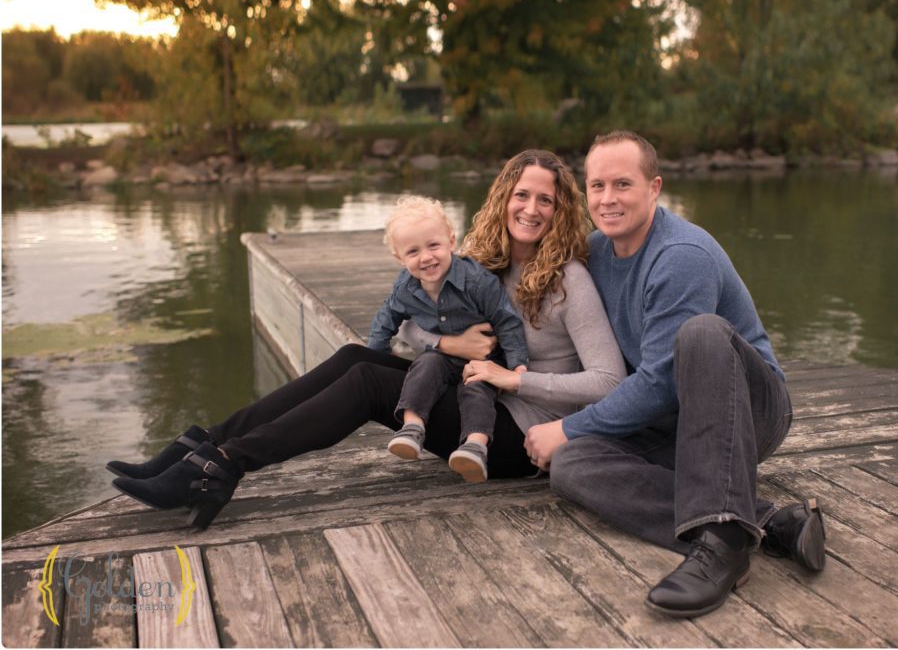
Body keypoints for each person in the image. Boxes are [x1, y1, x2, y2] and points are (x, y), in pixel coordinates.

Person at [106, 149, 626, 529]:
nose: (531, 209)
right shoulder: (479, 260)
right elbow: (410, 329)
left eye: (546, 200)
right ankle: (204, 444)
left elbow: (608, 382)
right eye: (521, 194)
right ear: (503, 197)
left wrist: (512, 377)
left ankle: (225, 466)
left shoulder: (568, 279)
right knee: (359, 355)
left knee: (368, 385)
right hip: (469, 388)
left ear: (561, 211)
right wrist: (449, 346)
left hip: (512, 437)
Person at [526, 131, 826, 619]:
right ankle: (766, 521)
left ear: (655, 187)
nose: (607, 199)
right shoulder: (594, 252)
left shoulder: (681, 255)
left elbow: (659, 381)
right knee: (572, 466)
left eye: (623, 184)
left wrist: (567, 425)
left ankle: (723, 549)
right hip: (674, 419)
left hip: (747, 409)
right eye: (597, 186)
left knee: (702, 333)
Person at [366, 195, 529, 483]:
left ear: (451, 242)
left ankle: (475, 446)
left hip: (484, 358)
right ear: (399, 258)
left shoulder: (476, 281)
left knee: (477, 389)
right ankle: (413, 428)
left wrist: (517, 365)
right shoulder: (405, 288)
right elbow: (385, 320)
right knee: (425, 365)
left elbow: (507, 321)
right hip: (442, 357)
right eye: (413, 251)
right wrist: (376, 354)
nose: (426, 257)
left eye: (434, 245)